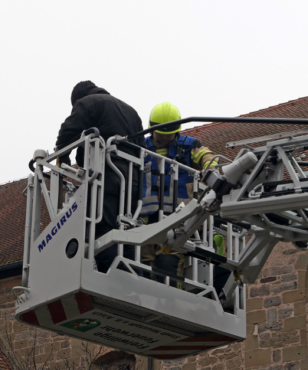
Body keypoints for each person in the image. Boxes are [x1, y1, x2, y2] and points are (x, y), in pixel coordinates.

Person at [55, 81, 144, 273]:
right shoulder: (131, 112)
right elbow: (141, 149)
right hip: (132, 183)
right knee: (126, 231)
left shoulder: (88, 102)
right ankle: (134, 277)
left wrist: (62, 158)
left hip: (106, 178)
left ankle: (112, 277)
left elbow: (68, 131)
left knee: (100, 230)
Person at [141, 102, 218, 287]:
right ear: (153, 129)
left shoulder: (189, 145)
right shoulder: (139, 146)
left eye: (171, 134)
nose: (167, 138)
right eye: (162, 134)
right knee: (142, 266)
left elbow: (207, 157)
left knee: (168, 265)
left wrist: (211, 170)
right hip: (144, 218)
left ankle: (167, 301)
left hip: (178, 219)